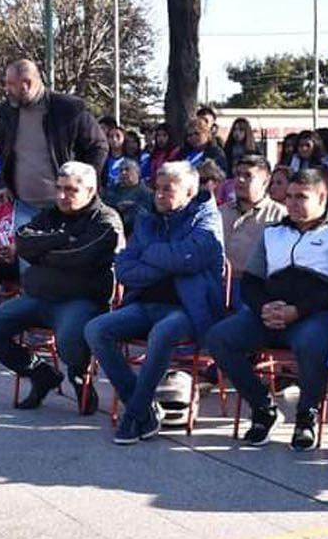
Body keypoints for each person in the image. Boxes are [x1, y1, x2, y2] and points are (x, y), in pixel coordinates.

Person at [207, 168, 328, 449]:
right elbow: (252, 280)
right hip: (271, 313)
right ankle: (263, 407)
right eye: (288, 196)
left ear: (322, 197)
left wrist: (298, 311)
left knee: (312, 342)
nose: (291, 203)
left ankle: (306, 415)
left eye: (301, 197)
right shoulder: (272, 233)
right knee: (219, 337)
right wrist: (263, 306)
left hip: (315, 316)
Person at [86, 161, 225, 445]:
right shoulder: (147, 219)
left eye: (168, 190)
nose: (159, 195)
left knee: (162, 333)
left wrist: (149, 254)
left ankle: (133, 413)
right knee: (95, 329)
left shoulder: (206, 218)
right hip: (144, 303)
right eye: (157, 188)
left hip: (188, 308)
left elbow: (192, 257)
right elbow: (124, 268)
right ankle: (144, 410)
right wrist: (170, 261)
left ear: (189, 191)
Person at [0, 161, 122, 412]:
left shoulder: (106, 219)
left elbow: (80, 255)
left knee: (69, 342)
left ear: (91, 190)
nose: (63, 195)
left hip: (81, 299)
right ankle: (40, 374)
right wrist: (63, 239)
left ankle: (79, 377)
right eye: (59, 188)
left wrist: (42, 250)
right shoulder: (51, 214)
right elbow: (22, 239)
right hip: (38, 297)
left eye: (71, 190)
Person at [0, 59, 108, 239]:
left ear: (27, 84)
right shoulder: (6, 112)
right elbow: (3, 149)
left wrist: (84, 183)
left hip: (66, 208)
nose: (6, 89)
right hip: (24, 205)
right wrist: (7, 182)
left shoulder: (68, 108)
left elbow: (98, 146)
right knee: (27, 264)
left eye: (10, 84)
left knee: (65, 262)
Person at [218, 155, 285, 278]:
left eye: (248, 176)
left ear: (266, 181)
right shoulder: (220, 213)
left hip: (254, 287)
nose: (240, 180)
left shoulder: (280, 216)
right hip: (217, 284)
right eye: (238, 174)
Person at [101, 158, 152, 238]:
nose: (123, 173)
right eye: (121, 170)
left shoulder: (147, 194)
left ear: (138, 173)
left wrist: (133, 207)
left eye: (127, 169)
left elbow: (147, 216)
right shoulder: (109, 191)